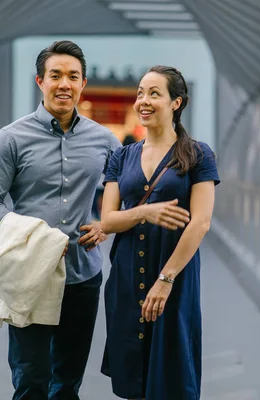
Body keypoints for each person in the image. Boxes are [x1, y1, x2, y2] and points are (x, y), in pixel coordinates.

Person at [0, 40, 121, 400]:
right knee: (30, 381)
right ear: (40, 81)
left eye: (73, 76)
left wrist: (105, 224)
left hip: (83, 274)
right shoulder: (10, 139)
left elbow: (126, 198)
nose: (64, 84)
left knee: (68, 383)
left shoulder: (105, 142)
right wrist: (34, 240)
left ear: (83, 84)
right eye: (55, 75)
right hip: (29, 274)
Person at [100, 66, 220, 400]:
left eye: (155, 93)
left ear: (176, 102)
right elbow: (108, 220)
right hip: (125, 276)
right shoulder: (122, 156)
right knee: (134, 376)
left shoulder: (197, 154)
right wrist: (144, 212)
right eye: (140, 92)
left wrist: (165, 280)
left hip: (174, 276)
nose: (144, 100)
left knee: (172, 372)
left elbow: (201, 222)